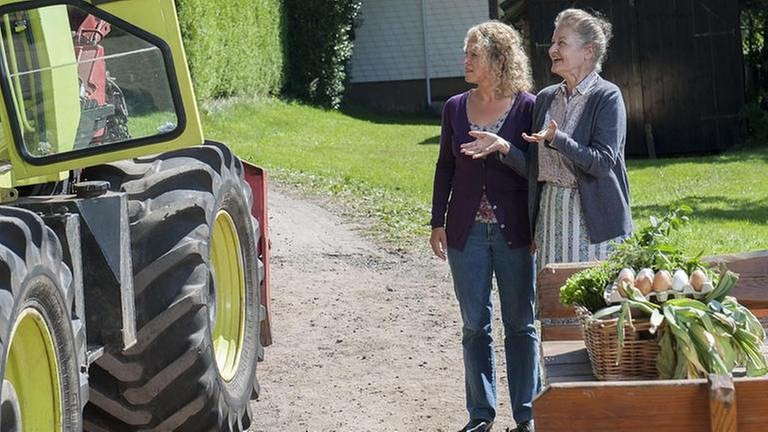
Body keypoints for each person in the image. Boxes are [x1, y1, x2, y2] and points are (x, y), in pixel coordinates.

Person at [430, 21, 539, 432]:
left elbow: (535, 170)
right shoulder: (455, 107)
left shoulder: (528, 106)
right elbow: (445, 167)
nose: (466, 61)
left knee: (520, 325)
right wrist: (437, 221)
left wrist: (504, 148)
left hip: (515, 233)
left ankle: (527, 415)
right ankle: (481, 415)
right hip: (466, 233)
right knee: (475, 325)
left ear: (498, 58)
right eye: (467, 53)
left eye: (473, 53)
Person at [468, 9, 632, 272]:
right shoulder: (545, 98)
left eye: (562, 43)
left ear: (588, 51)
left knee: (596, 304)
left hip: (595, 222)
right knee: (555, 302)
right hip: (551, 216)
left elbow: (602, 163)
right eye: (554, 42)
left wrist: (559, 139)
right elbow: (537, 170)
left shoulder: (607, 97)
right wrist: (504, 147)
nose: (552, 49)